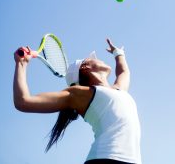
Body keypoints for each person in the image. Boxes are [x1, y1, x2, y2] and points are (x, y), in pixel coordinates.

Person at [13, 38, 142, 164]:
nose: (98, 58)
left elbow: (123, 72)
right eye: (92, 58)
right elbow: (23, 101)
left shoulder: (118, 90)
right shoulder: (81, 94)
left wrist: (118, 53)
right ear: (85, 67)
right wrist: (21, 64)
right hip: (106, 158)